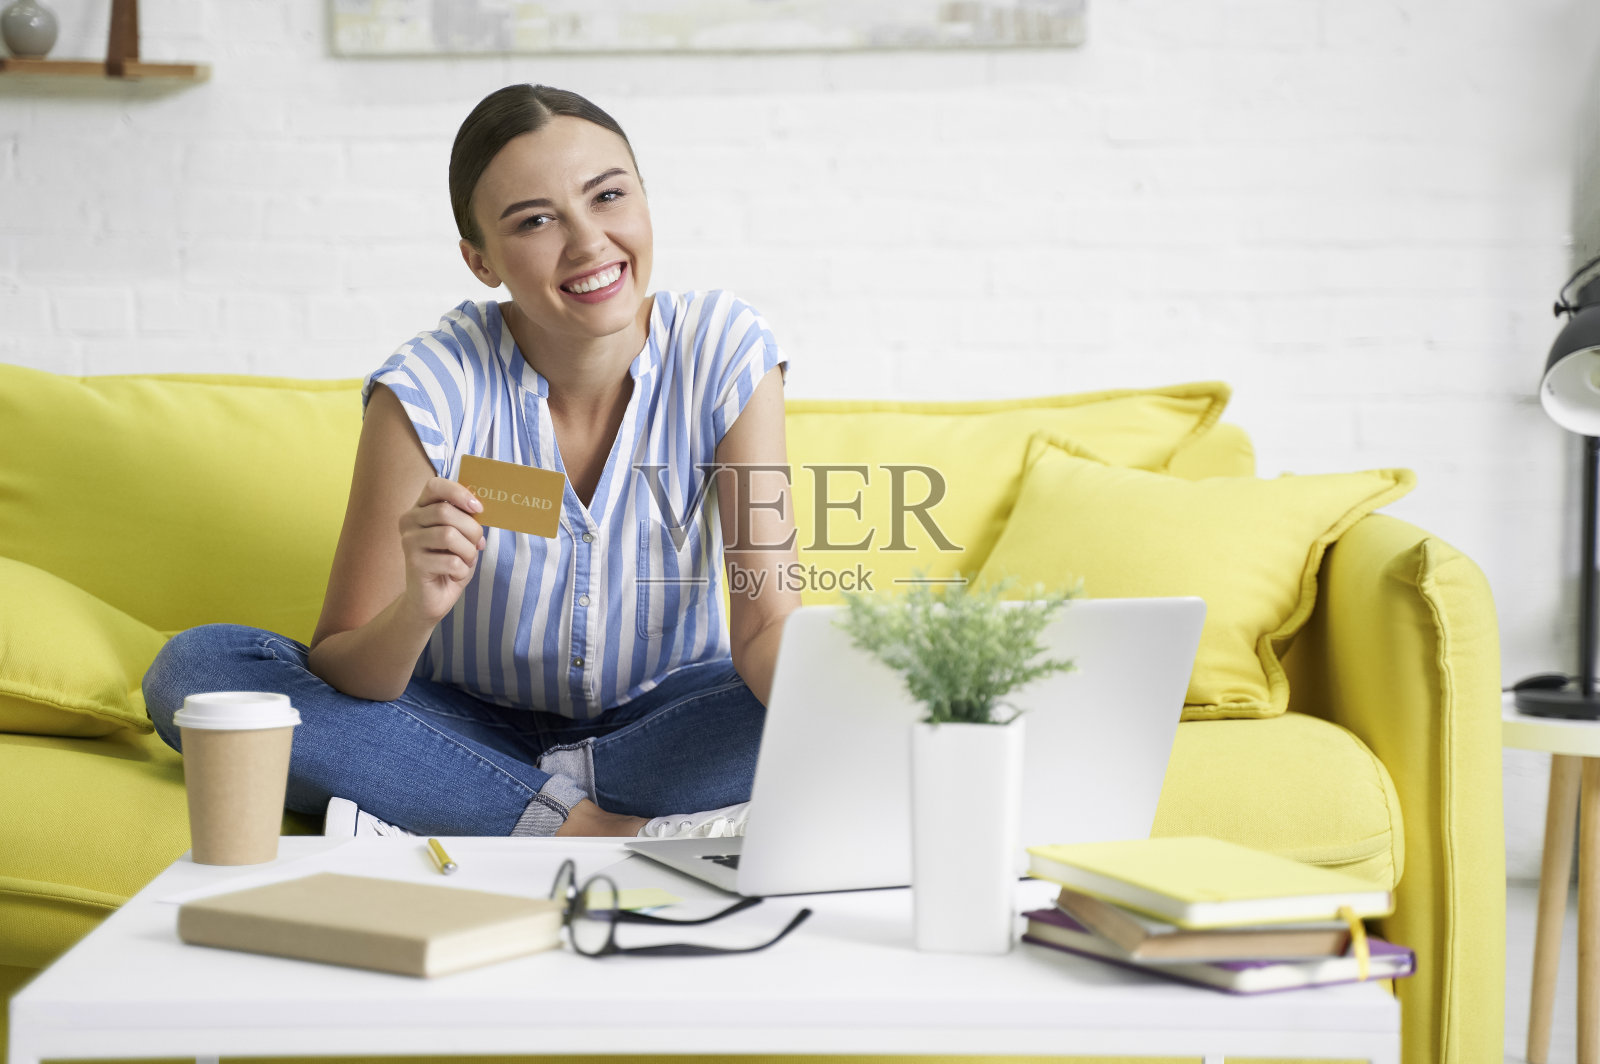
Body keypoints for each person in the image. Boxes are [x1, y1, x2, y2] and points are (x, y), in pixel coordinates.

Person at [142, 83, 802, 840]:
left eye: (608, 196)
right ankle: (586, 826)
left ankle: (490, 796)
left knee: (859, 684)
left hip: (667, 726)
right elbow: (346, 668)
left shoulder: (725, 350)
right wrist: (416, 609)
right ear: (481, 261)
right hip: (460, 724)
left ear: (644, 200)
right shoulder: (429, 385)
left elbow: (765, 630)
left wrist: (872, 699)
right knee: (200, 670)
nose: (589, 242)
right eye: (535, 220)